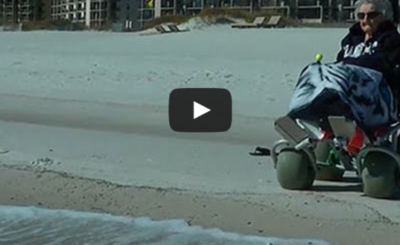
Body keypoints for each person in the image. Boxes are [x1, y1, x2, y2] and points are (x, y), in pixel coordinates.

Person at [336, 0, 400, 93]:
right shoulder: (350, 39)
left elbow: (380, 63)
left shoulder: (391, 40)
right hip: (347, 91)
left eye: (371, 15)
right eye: (361, 16)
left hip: (376, 95)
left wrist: (347, 64)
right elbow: (339, 62)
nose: (365, 20)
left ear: (384, 16)